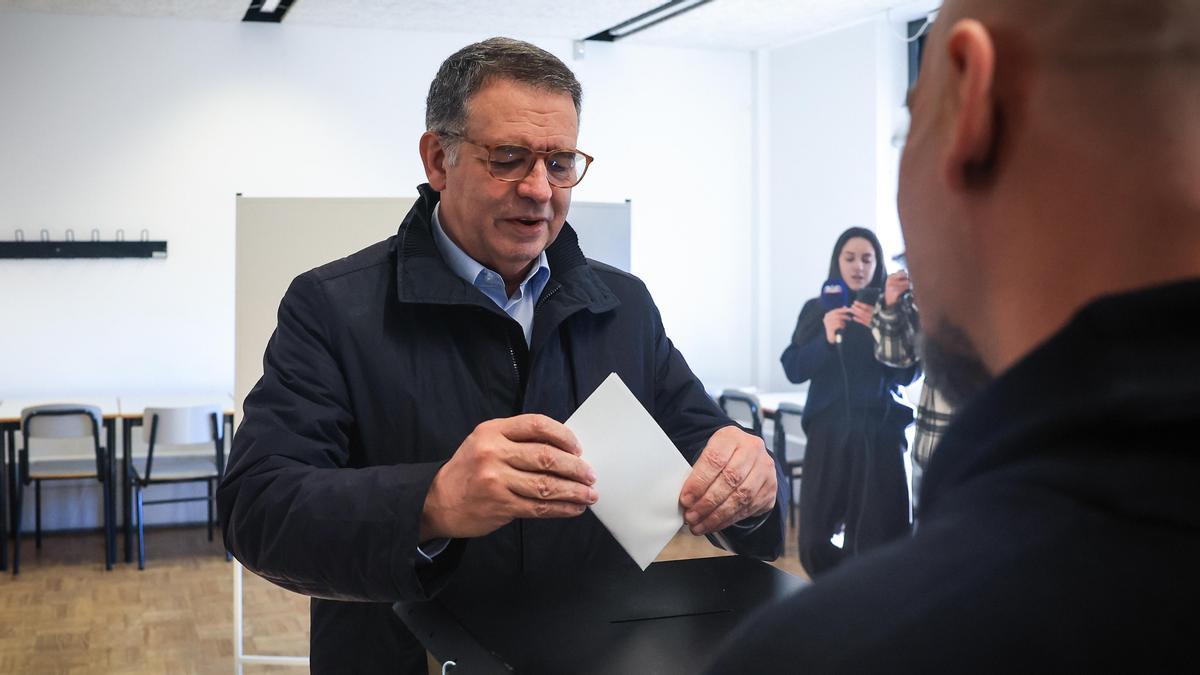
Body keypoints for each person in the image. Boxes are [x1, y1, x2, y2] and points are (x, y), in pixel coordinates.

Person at [217, 37, 784, 673]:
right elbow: (258, 509)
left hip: (597, 655)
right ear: (438, 158)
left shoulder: (623, 306)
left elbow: (711, 453)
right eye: (510, 159)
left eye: (561, 162)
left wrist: (752, 483)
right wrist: (431, 502)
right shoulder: (331, 307)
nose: (540, 190)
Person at [706, 0, 1200, 670]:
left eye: (913, 117)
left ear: (973, 104)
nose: (873, 260)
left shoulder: (839, 650)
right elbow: (799, 364)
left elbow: (900, 370)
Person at [780, 227, 917, 577]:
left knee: (880, 540)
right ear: (837, 262)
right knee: (813, 540)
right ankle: (833, 598)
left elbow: (909, 374)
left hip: (881, 434)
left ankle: (871, 610)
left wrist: (883, 325)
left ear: (878, 263)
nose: (858, 266)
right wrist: (826, 339)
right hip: (828, 434)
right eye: (850, 258)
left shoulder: (894, 309)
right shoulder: (817, 309)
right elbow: (793, 368)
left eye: (867, 259)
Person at [869, 267, 954, 510]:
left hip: (991, 447)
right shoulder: (931, 287)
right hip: (933, 447)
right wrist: (891, 306)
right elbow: (897, 357)